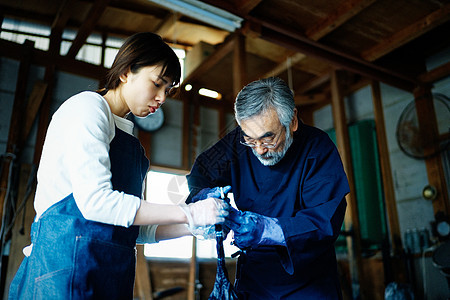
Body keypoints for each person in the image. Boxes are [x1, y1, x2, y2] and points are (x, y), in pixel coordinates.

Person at [9, 32, 228, 300]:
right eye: (157, 84)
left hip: (109, 275)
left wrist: (192, 226)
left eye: (167, 90)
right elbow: (97, 203)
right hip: (63, 271)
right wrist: (188, 212)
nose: (162, 98)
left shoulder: (130, 141)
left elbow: (132, 228)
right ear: (126, 72)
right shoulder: (87, 109)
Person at [186, 77, 349, 299]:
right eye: (250, 140)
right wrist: (207, 201)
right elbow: (202, 171)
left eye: (268, 138)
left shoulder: (318, 148)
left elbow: (324, 220)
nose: (260, 150)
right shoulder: (237, 143)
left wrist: (265, 230)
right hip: (254, 277)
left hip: (308, 281)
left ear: (292, 121)